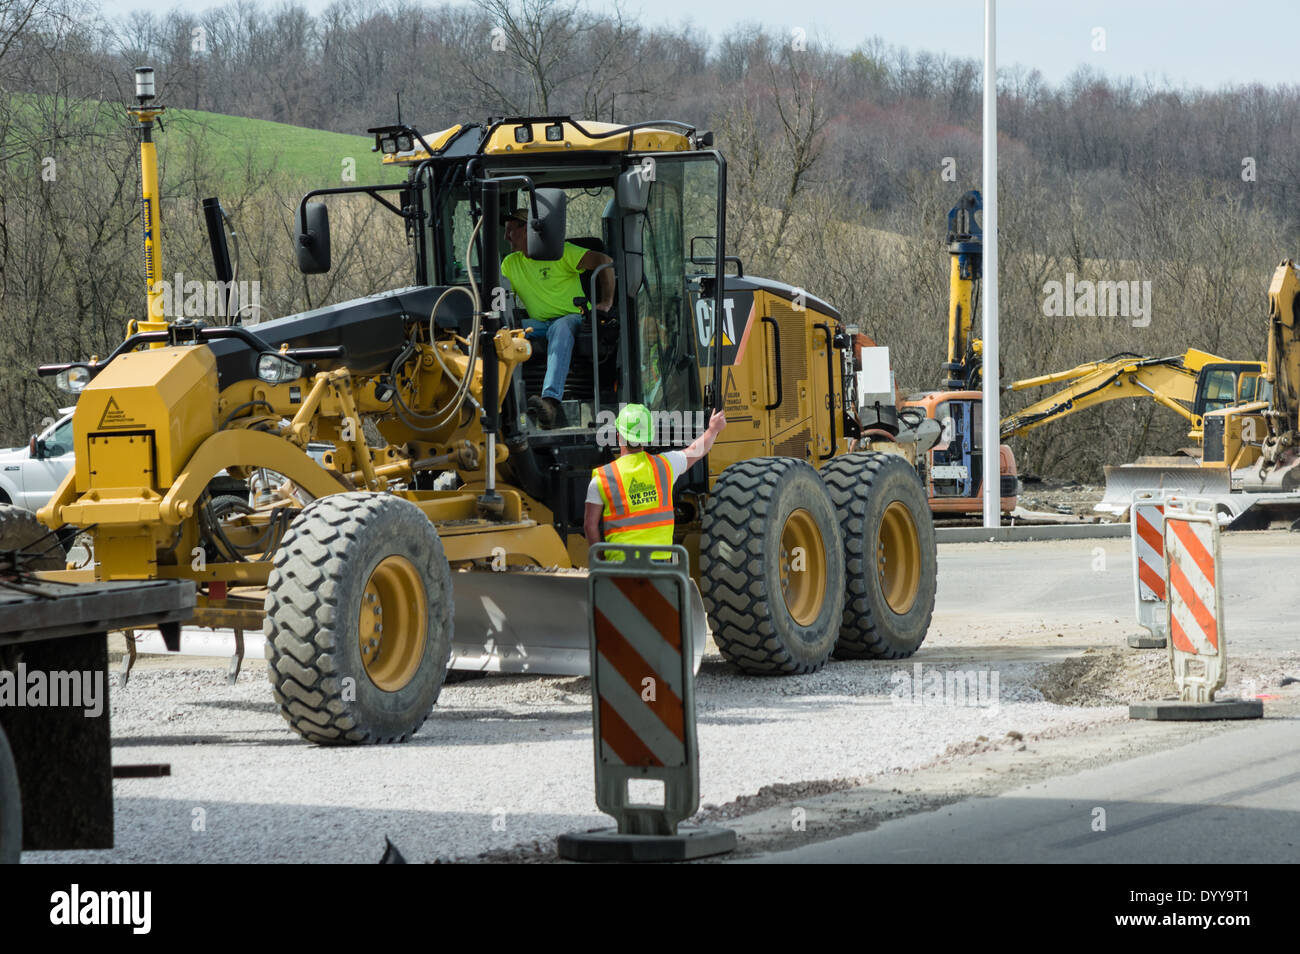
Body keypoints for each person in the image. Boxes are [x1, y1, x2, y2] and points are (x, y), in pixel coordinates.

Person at [501, 207, 614, 429]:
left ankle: (550, 401)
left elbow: (604, 260)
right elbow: (501, 299)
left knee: (561, 328)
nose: (506, 237)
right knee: (504, 333)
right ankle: (505, 399)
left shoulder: (561, 252)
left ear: (528, 230)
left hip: (573, 318)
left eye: (510, 230)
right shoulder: (510, 264)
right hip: (539, 324)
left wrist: (607, 301)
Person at [584, 403, 727, 550]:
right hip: (660, 567)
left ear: (618, 436)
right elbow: (696, 451)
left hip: (620, 566)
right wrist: (713, 429)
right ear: (648, 437)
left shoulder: (602, 478)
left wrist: (600, 560)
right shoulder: (666, 465)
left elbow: (590, 526)